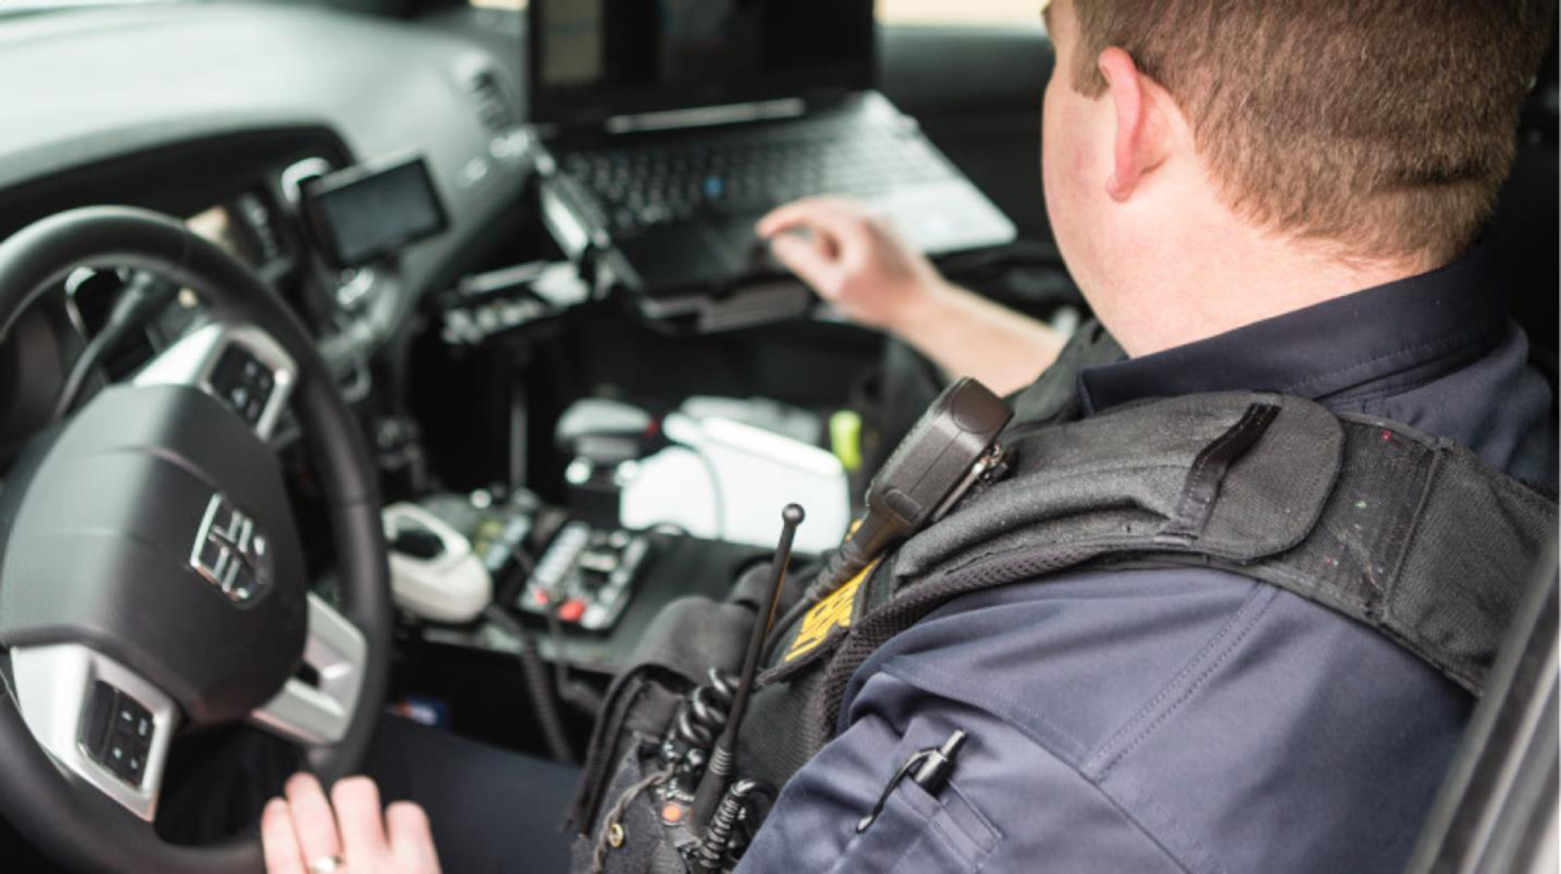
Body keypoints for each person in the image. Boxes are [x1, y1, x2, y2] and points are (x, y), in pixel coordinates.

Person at [259, 0, 1557, 870]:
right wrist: (909, 303)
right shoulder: (1465, 390)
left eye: (1051, 47)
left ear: (1128, 120)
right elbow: (1172, 453)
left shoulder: (1042, 783)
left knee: (273, 771)